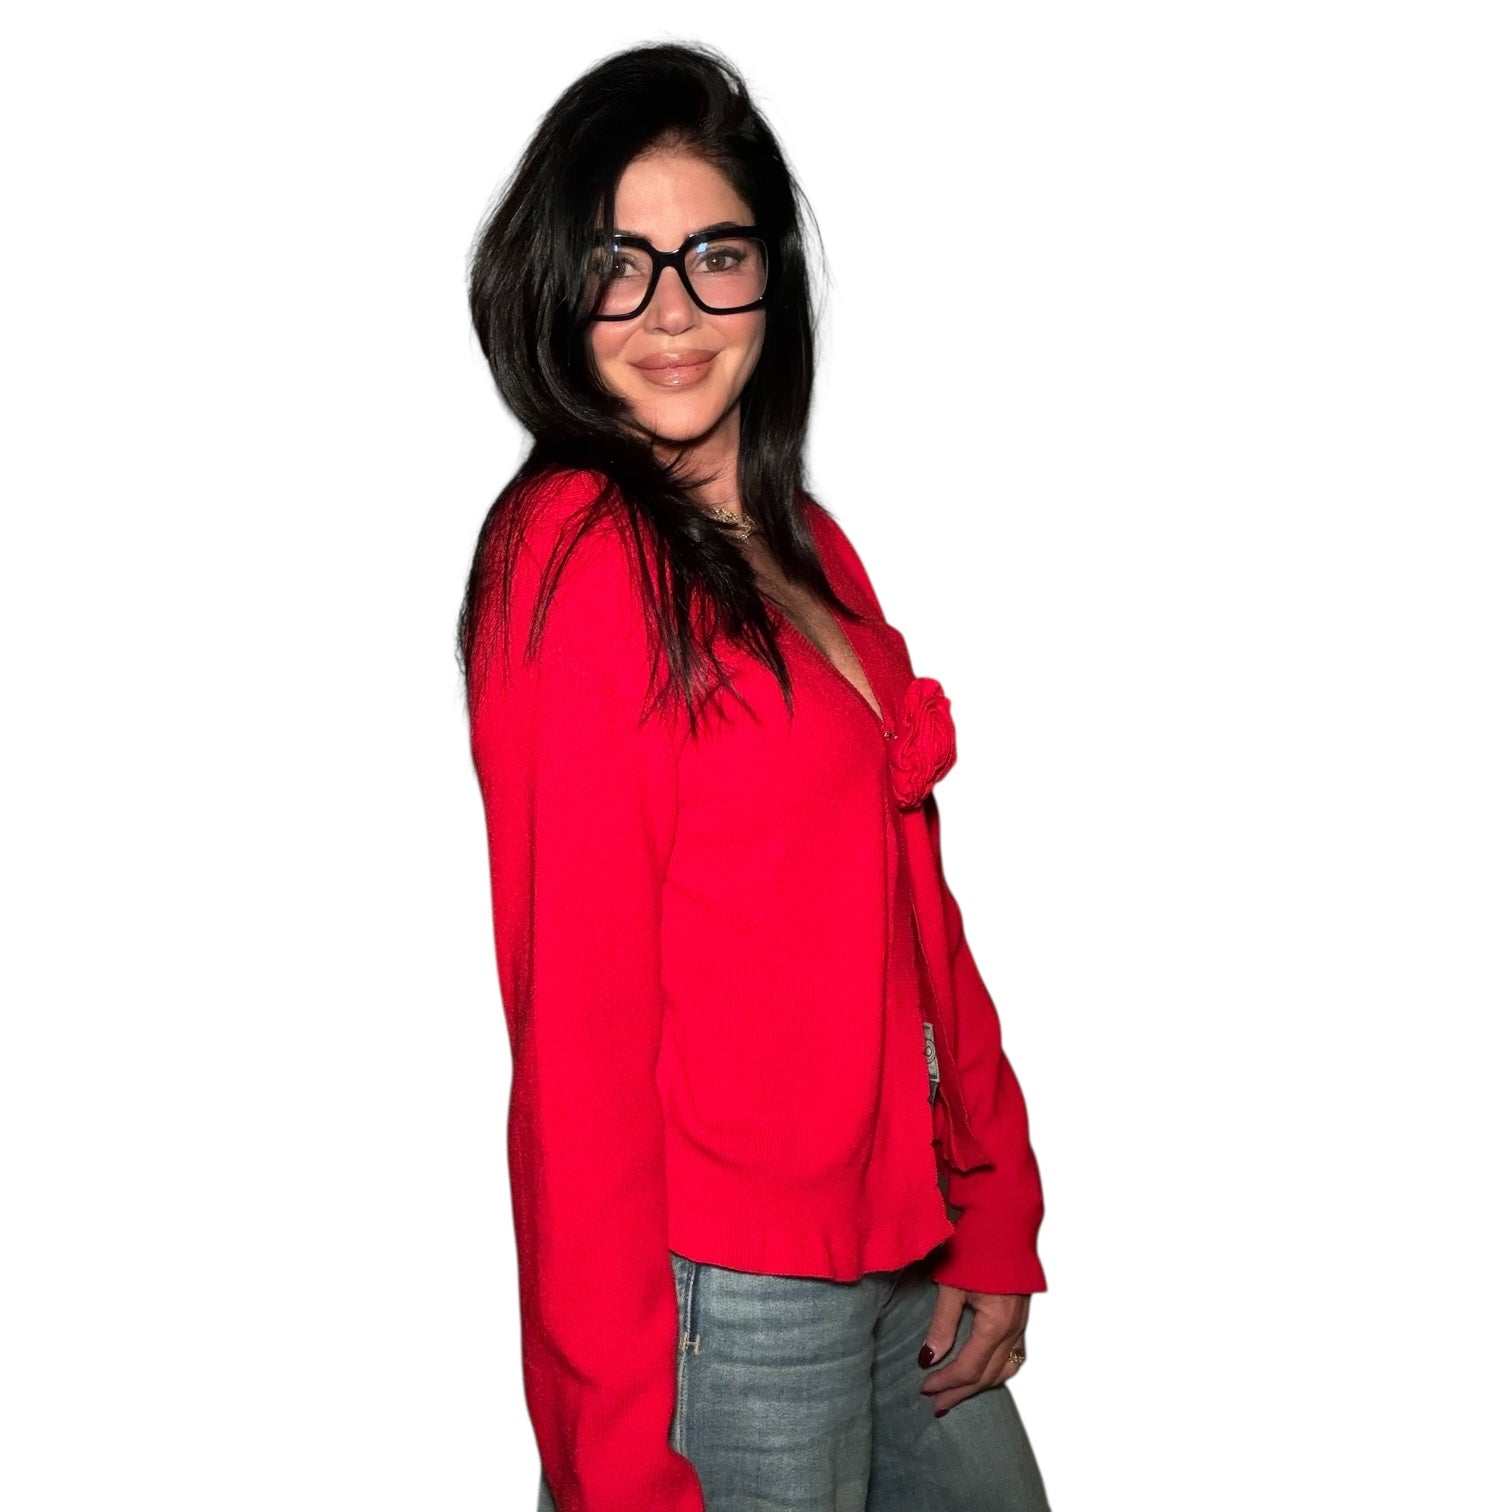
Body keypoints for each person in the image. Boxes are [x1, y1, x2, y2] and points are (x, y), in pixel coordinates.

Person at [457, 41, 1051, 1512]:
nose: (673, 311)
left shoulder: (808, 546)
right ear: (558, 287)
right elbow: (574, 1038)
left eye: (714, 255)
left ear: (768, 281)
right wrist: (611, 1452)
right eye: (622, 263)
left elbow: (918, 910)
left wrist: (991, 1199)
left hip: (902, 1256)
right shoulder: (579, 556)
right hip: (728, 1305)